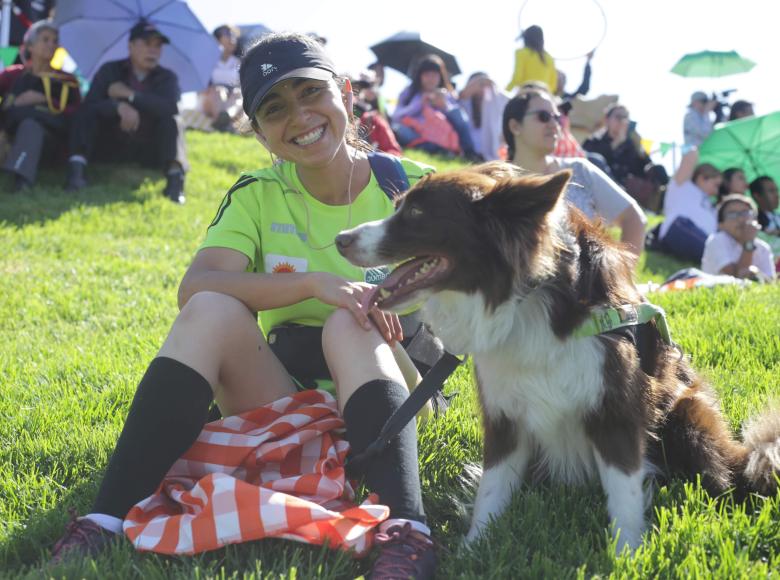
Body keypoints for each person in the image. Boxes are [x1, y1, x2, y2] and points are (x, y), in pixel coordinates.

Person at [50, 32, 438, 579]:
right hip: (285, 404)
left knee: (346, 322)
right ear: (259, 133)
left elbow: (484, 278)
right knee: (211, 308)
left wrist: (393, 294)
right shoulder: (256, 193)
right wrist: (314, 283)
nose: (299, 116)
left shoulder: (414, 185)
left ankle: (409, 528)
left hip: (385, 404)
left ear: (347, 94)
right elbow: (197, 284)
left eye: (310, 92)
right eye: (274, 108)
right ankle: (104, 518)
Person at [502, 88, 647, 260]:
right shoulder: (496, 185)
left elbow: (634, 219)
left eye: (557, 117)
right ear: (515, 126)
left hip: (583, 285)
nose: (554, 124)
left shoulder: (579, 170)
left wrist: (620, 279)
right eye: (543, 116)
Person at [64, 20, 188, 204]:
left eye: (158, 45)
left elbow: (170, 107)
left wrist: (131, 96)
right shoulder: (110, 70)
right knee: (85, 115)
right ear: (130, 46)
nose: (153, 50)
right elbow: (90, 105)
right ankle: (76, 173)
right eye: (147, 43)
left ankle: (175, 183)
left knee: (173, 121)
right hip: (110, 144)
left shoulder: (167, 77)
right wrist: (117, 107)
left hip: (150, 149)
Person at [0, 20, 80, 191]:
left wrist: (43, 99)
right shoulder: (13, 75)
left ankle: (21, 180)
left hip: (51, 140)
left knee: (31, 125)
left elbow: (77, 113)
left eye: (55, 40)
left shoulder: (66, 80)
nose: (52, 44)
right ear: (30, 47)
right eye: (45, 40)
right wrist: (12, 103)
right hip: (10, 137)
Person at [392, 54, 478, 160]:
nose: (430, 79)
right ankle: (437, 150)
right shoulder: (409, 92)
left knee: (458, 113)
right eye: (427, 74)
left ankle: (469, 152)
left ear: (440, 76)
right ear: (420, 76)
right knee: (399, 129)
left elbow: (460, 120)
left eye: (434, 75)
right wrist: (418, 104)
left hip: (444, 136)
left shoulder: (446, 94)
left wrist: (445, 106)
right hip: (417, 134)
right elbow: (396, 116)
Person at [582, 103, 667, 210]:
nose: (622, 121)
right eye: (618, 117)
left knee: (660, 171)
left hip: (627, 190)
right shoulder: (593, 141)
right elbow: (593, 162)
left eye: (625, 118)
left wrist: (640, 149)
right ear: (607, 120)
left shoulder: (631, 145)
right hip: (601, 188)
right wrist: (616, 143)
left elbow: (643, 169)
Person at [658, 149, 720, 262]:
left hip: (703, 239)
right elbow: (691, 155)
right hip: (679, 227)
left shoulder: (710, 204)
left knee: (715, 249)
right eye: (715, 185)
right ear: (702, 178)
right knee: (714, 253)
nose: (716, 191)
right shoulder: (682, 186)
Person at [701, 194, 775, 281]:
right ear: (721, 225)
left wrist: (757, 273)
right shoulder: (716, 240)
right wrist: (749, 243)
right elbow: (737, 276)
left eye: (745, 213)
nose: (740, 219)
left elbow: (770, 283)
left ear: (756, 220)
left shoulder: (763, 248)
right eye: (732, 214)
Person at [199, 24, 242, 132]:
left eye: (233, 35)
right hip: (211, 99)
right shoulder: (207, 61)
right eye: (227, 34)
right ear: (217, 40)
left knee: (238, 93)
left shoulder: (240, 63)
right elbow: (201, 87)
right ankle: (223, 120)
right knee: (218, 91)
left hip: (233, 98)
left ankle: (226, 118)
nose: (232, 37)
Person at [458, 72, 510, 161]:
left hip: (491, 156)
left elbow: (508, 99)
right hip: (469, 153)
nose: (481, 89)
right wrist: (479, 82)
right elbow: (461, 96)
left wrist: (491, 83)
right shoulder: (464, 103)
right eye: (479, 85)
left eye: (484, 86)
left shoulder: (493, 105)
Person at [506, 25, 557, 94]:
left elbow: (517, 77)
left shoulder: (521, 53)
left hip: (525, 95)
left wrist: (506, 91)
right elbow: (553, 85)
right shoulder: (550, 58)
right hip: (544, 95)